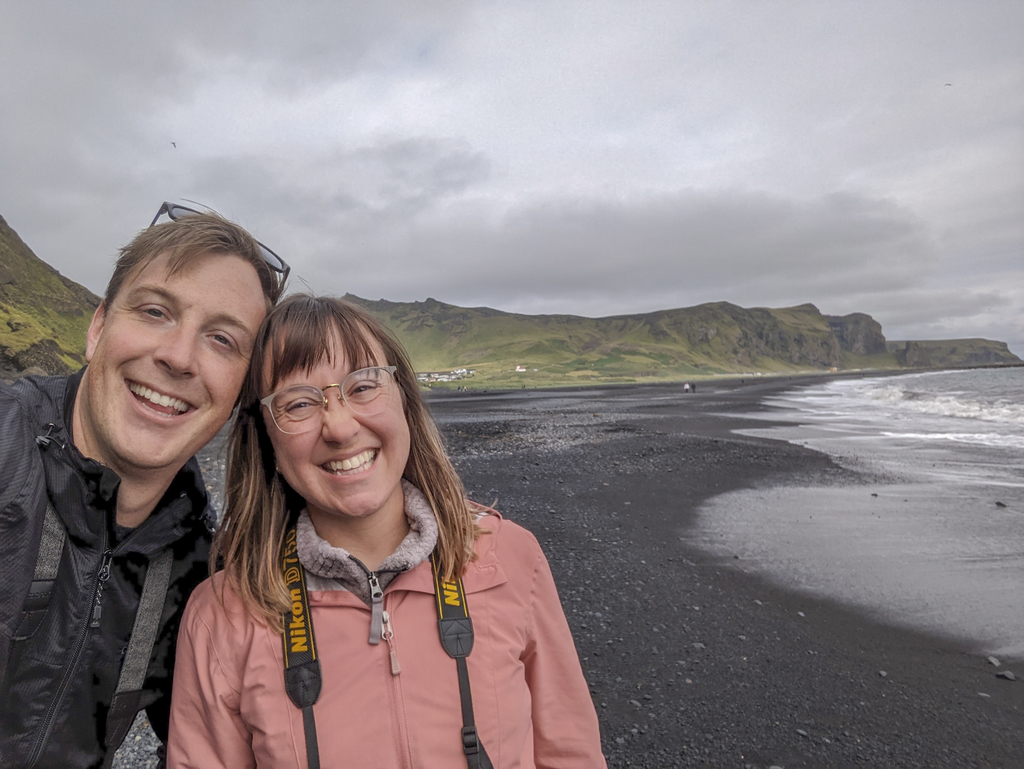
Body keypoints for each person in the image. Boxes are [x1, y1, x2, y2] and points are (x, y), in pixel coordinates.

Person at [167, 295, 606, 768]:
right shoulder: (222, 615)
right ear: (265, 438)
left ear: (404, 401)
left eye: (362, 387)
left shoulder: (509, 557)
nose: (338, 427)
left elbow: (570, 754)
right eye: (298, 404)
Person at [0, 203, 288, 768]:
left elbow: (215, 744)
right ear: (98, 327)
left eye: (222, 340)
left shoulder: (197, 566)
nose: (178, 357)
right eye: (156, 311)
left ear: (242, 392)